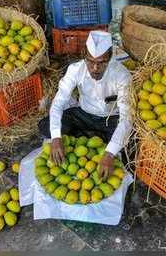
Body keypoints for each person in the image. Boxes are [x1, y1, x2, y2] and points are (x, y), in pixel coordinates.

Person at [38, 30, 132, 179]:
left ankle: (93, 138)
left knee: (130, 148)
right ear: (84, 56)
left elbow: (127, 118)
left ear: (110, 58)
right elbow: (58, 102)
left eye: (101, 63)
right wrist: (56, 138)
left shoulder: (122, 75)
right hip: (83, 115)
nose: (95, 68)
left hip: (110, 119)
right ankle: (95, 138)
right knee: (45, 126)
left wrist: (109, 154)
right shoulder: (76, 70)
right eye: (90, 61)